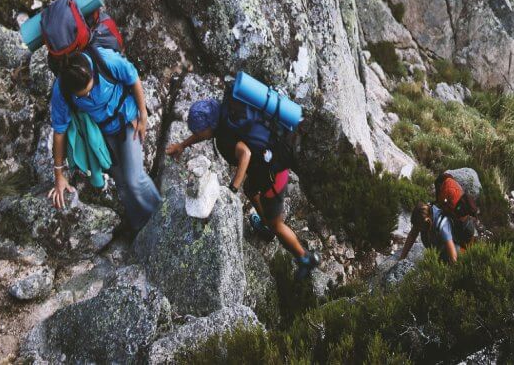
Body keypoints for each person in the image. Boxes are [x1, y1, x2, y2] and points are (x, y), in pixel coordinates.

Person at [166, 98, 319, 273]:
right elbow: (204, 132)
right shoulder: (226, 113)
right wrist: (182, 145)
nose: (199, 135)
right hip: (264, 167)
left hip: (275, 174)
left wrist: (232, 189)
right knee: (250, 189)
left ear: (210, 126)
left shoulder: (226, 136)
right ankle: (265, 226)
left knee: (276, 223)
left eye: (200, 131)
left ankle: (305, 258)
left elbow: (245, 154)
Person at [47, 50, 162, 232]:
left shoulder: (105, 60)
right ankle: (140, 228)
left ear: (92, 74)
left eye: (90, 90)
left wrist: (143, 113)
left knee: (135, 179)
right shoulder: (61, 90)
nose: (89, 97)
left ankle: (162, 219)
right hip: (103, 134)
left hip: (127, 119)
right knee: (122, 184)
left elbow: (132, 76)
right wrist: (59, 176)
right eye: (82, 97)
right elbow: (59, 132)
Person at [399, 172, 478, 262]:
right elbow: (412, 235)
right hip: (440, 237)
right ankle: (439, 257)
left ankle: (461, 256)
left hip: (457, 242)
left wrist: (452, 272)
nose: (418, 229)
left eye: (420, 227)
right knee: (425, 237)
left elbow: (453, 256)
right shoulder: (424, 211)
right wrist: (402, 258)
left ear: (428, 221)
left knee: (453, 252)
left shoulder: (443, 225)